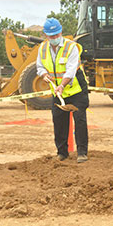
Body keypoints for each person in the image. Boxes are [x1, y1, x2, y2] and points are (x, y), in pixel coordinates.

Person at [36, 18, 89, 163]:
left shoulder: (71, 47)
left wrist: (62, 85)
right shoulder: (43, 48)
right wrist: (44, 74)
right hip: (57, 92)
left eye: (56, 35)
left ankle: (82, 153)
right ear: (46, 35)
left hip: (76, 90)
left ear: (61, 32)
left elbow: (71, 71)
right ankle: (62, 152)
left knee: (80, 120)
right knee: (59, 121)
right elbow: (39, 66)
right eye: (51, 36)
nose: (54, 38)